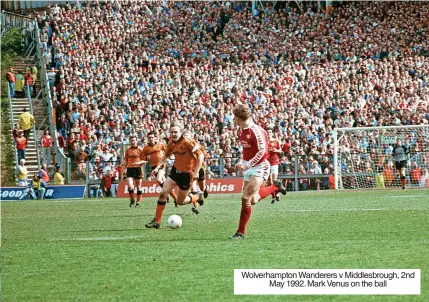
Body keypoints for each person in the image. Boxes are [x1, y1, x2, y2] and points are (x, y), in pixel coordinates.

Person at [229, 104, 286, 239]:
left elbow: (263, 152)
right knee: (253, 199)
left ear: (238, 118)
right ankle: (275, 187)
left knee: (245, 198)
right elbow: (246, 150)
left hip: (260, 167)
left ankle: (240, 233)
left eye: (234, 117)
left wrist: (247, 164)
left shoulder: (257, 131)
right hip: (249, 167)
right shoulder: (242, 130)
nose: (233, 120)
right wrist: (241, 161)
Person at [145, 123, 205, 229]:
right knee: (163, 193)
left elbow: (200, 155)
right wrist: (157, 167)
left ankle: (196, 197)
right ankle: (157, 221)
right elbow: (166, 154)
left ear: (180, 132)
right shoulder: (171, 143)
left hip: (187, 175)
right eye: (172, 132)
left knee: (180, 202)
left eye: (176, 132)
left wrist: (196, 172)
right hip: (175, 172)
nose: (173, 134)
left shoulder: (187, 142)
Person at [142, 131, 177, 203]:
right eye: (149, 138)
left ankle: (168, 195)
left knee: (158, 179)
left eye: (152, 137)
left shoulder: (160, 145)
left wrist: (170, 157)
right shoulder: (146, 148)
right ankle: (174, 198)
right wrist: (144, 159)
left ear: (155, 138)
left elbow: (168, 152)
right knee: (164, 184)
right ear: (147, 139)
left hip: (162, 165)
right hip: (153, 167)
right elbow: (144, 158)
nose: (151, 139)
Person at [183, 130, 209, 199]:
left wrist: (203, 157)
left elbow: (205, 155)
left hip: (199, 168)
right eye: (184, 137)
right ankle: (196, 203)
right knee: (192, 188)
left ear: (191, 138)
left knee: (202, 188)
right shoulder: (182, 147)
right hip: (190, 170)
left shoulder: (197, 146)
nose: (186, 139)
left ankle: (205, 189)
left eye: (187, 137)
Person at [123, 135, 146, 207]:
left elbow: (144, 160)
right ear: (129, 141)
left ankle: (138, 202)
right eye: (131, 140)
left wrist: (140, 162)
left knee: (139, 186)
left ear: (136, 141)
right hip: (130, 168)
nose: (132, 142)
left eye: (134, 140)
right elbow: (126, 160)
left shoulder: (140, 149)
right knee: (130, 186)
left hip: (138, 169)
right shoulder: (127, 150)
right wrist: (125, 168)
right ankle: (132, 200)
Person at [266, 127, 282, 204]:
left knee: (274, 180)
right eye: (267, 132)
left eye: (270, 132)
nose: (268, 133)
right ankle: (274, 196)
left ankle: (277, 194)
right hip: (266, 163)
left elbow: (280, 150)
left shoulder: (276, 141)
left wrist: (276, 150)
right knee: (269, 181)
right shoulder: (264, 141)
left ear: (272, 133)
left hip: (274, 162)